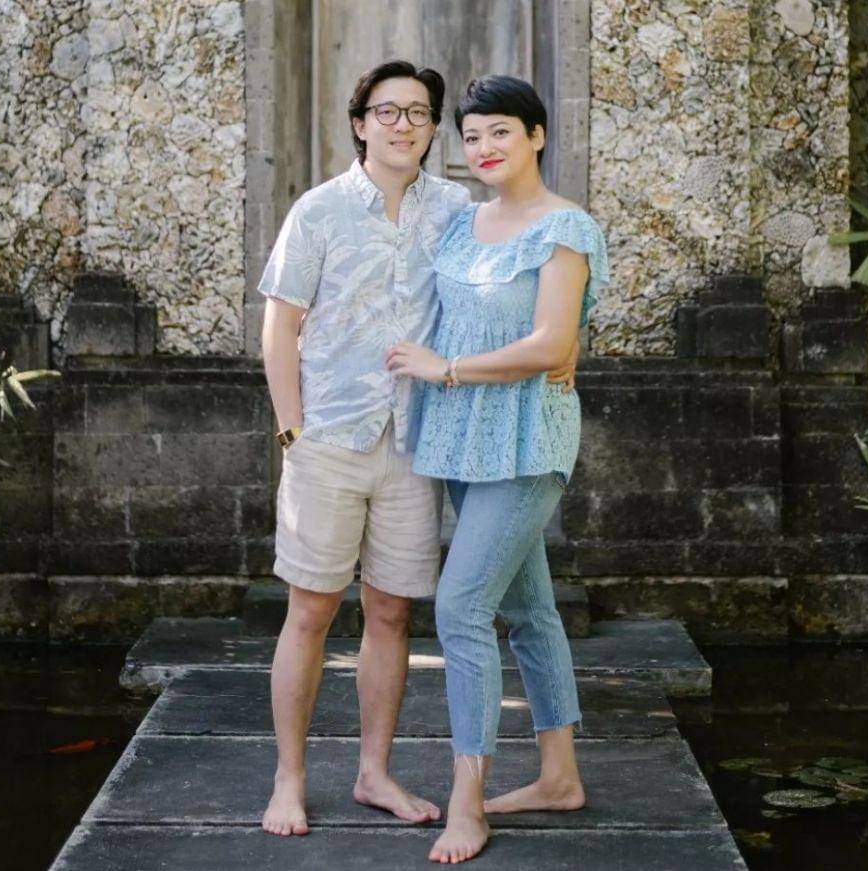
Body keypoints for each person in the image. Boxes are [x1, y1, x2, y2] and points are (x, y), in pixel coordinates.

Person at [256, 60, 577, 838]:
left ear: (434, 130)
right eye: (387, 111)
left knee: (392, 610)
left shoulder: (458, 211)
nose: (404, 124)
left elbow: (515, 279)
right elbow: (280, 323)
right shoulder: (318, 211)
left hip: (415, 441)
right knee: (310, 610)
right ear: (360, 122)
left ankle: (375, 773)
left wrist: (561, 346)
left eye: (419, 113)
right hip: (330, 436)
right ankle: (289, 779)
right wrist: (291, 429)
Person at [385, 74, 609, 864]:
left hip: (525, 442)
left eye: (500, 132)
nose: (483, 147)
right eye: (472, 135)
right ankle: (559, 777)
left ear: (537, 135)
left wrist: (445, 368)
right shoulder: (459, 221)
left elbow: (551, 343)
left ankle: (467, 799)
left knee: (461, 606)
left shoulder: (566, 228)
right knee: (532, 609)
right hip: (458, 440)